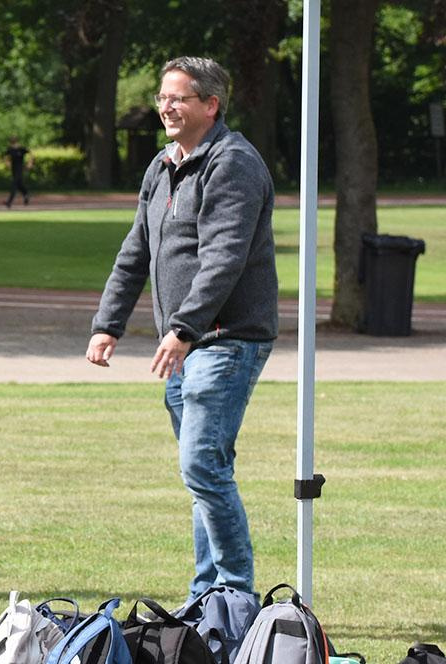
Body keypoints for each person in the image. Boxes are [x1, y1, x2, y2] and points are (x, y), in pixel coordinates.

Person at [86, 56, 278, 601]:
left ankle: (234, 596)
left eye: (178, 98)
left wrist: (184, 329)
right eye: (162, 97)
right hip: (187, 342)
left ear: (211, 105)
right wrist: (108, 324)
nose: (165, 107)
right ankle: (205, 598)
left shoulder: (233, 163)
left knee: (200, 465)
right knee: (205, 473)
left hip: (225, 339)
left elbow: (224, 258)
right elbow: (136, 250)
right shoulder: (163, 164)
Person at [3, 136, 33, 208]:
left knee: (14, 184)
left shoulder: (21, 149)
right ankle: (26, 194)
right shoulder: (10, 149)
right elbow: (5, 156)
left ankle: (9, 202)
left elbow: (31, 154)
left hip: (20, 169)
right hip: (13, 169)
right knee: (19, 185)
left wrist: (30, 163)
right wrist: (7, 163)